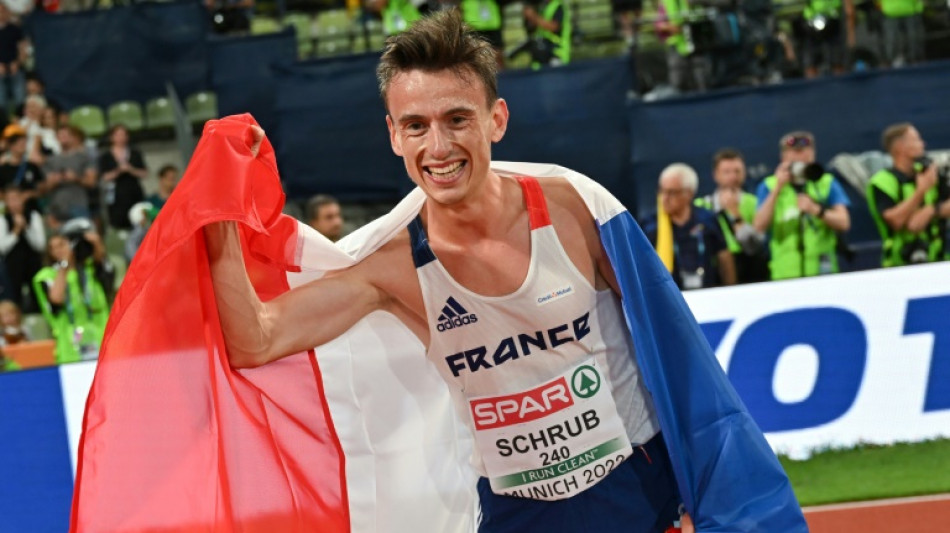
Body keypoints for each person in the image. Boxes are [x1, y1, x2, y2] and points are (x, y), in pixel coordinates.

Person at [205, 11, 700, 532]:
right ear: (394, 135)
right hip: (518, 514)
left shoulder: (575, 209)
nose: (438, 148)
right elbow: (256, 340)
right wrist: (216, 212)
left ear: (497, 120)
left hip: (635, 495)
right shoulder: (391, 262)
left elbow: (671, 348)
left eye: (457, 119)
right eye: (416, 126)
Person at [753, 131, 851, 280]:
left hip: (823, 271)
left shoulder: (826, 182)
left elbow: (844, 223)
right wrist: (778, 188)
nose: (801, 156)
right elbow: (759, 226)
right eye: (795, 152)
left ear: (813, 154)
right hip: (785, 273)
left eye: (805, 151)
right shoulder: (768, 185)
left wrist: (817, 210)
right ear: (783, 157)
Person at [866, 123, 950, 267]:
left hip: (939, 261)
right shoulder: (881, 182)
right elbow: (896, 221)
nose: (923, 144)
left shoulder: (929, 173)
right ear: (900, 147)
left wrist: (931, 210)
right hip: (899, 266)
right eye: (916, 139)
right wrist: (921, 190)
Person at [642, 163, 736, 290]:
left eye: (671, 192)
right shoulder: (650, 226)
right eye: (661, 191)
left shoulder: (708, 219)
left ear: (689, 194)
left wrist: (730, 290)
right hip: (670, 296)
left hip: (707, 294)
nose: (664, 198)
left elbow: (724, 258)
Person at [32, 219, 111, 363]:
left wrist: (95, 241)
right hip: (71, 350)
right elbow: (56, 299)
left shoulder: (88, 269)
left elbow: (101, 262)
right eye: (53, 247)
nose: (58, 250)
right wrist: (64, 266)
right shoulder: (46, 276)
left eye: (62, 244)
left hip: (103, 344)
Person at [694, 149, 768, 283]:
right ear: (715, 175)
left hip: (749, 270)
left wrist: (735, 214)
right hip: (714, 267)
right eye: (727, 172)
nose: (733, 176)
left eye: (737, 171)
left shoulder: (754, 202)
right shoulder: (701, 205)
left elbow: (754, 246)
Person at [0, 184, 44, 311]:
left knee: (38, 297)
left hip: (33, 264)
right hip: (12, 266)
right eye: (10, 199)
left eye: (16, 198)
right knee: (13, 299)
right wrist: (16, 230)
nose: (13, 203)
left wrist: (26, 228)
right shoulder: (2, 219)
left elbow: (40, 245)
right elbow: (2, 248)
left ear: (22, 198)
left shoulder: (33, 216)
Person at [98, 124, 148, 231]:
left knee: (139, 224)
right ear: (111, 137)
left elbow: (144, 173)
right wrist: (119, 170)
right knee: (119, 224)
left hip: (134, 192)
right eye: (118, 135)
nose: (121, 138)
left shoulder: (135, 153)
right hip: (116, 195)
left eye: (124, 135)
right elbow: (104, 177)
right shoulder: (105, 156)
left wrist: (130, 169)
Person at [800, 0, 855, 77]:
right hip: (811, 22)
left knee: (837, 60)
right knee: (810, 62)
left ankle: (840, 86)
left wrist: (851, 34)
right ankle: (813, 87)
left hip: (832, 21)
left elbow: (849, 9)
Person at [521, 0, 571, 68]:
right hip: (542, 53)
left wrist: (533, 17)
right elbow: (533, 28)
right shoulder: (543, 6)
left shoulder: (558, 6)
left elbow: (554, 27)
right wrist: (529, 18)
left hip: (556, 53)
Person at [880, 0, 924, 67]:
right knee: (911, 36)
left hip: (900, 10)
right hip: (903, 10)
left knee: (893, 37)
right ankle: (913, 59)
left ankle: (890, 61)